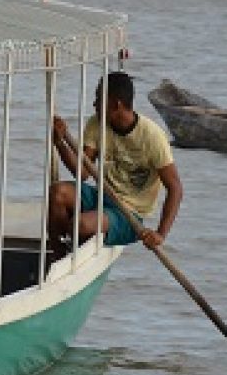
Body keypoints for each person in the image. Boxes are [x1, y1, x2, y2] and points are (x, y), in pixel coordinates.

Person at [48, 71, 182, 254]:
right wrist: (59, 143)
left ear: (116, 104)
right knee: (57, 192)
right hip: (101, 196)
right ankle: (57, 256)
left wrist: (160, 234)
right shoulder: (96, 123)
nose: (94, 104)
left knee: (80, 224)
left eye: (98, 99)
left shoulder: (152, 136)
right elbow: (83, 172)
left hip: (128, 214)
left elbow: (175, 188)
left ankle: (78, 246)